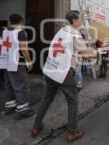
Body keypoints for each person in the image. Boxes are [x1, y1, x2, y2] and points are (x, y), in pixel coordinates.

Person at [31, 10, 97, 142]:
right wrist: (96, 52)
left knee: (47, 98)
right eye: (81, 18)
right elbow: (85, 54)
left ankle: (36, 126)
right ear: (74, 20)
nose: (82, 21)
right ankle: (72, 132)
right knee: (73, 101)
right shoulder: (75, 35)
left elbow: (71, 48)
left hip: (50, 69)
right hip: (63, 72)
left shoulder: (62, 31)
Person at [0, 14, 35, 120]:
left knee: (9, 85)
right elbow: (24, 49)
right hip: (17, 63)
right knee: (21, 87)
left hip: (6, 61)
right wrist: (29, 61)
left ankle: (9, 107)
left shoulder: (4, 31)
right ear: (21, 20)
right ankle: (22, 111)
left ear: (10, 21)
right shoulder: (21, 32)